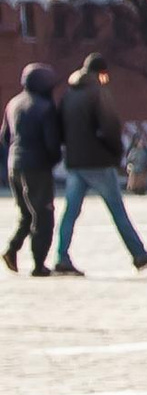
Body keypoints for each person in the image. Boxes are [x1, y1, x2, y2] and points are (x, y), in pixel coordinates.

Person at [51, 54, 147, 273]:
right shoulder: (98, 93)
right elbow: (111, 127)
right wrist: (115, 153)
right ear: (100, 73)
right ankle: (138, 254)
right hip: (98, 161)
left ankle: (61, 256)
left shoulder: (68, 95)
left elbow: (60, 128)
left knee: (70, 212)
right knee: (117, 210)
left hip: (76, 162)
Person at [4, 62, 63, 278]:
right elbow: (51, 143)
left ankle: (12, 248)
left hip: (14, 165)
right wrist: (53, 159)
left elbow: (4, 137)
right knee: (44, 215)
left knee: (26, 214)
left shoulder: (13, 103)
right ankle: (39, 264)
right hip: (37, 167)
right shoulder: (45, 107)